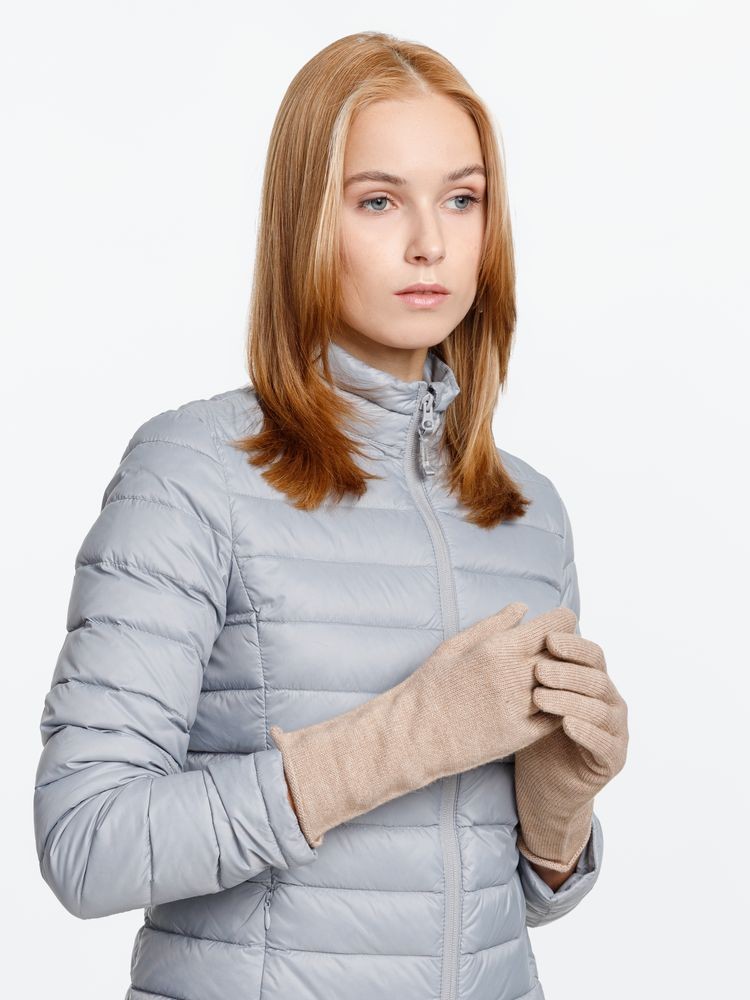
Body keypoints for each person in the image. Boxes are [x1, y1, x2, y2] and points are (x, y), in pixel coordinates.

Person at [33, 30, 629, 1000]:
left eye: (463, 198)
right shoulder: (194, 473)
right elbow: (85, 843)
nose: (430, 241)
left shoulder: (527, 514)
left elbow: (475, 898)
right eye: (379, 200)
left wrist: (557, 819)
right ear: (308, 219)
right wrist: (401, 737)